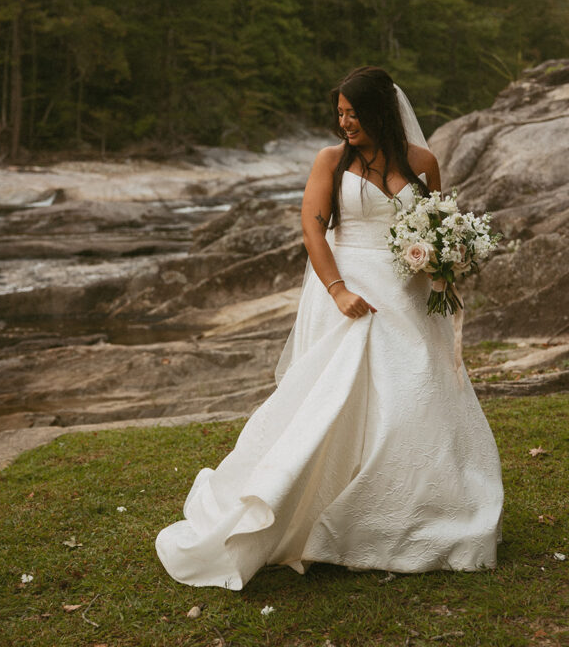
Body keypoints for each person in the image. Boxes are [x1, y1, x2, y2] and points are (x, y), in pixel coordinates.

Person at [156, 66, 503, 589]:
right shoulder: (330, 162)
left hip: (407, 296)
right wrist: (337, 288)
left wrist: (443, 264)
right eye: (339, 113)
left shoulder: (424, 163)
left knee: (411, 395)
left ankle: (416, 516)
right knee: (333, 400)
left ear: (381, 112)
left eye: (353, 113)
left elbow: (435, 225)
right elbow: (313, 228)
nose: (345, 122)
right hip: (348, 290)